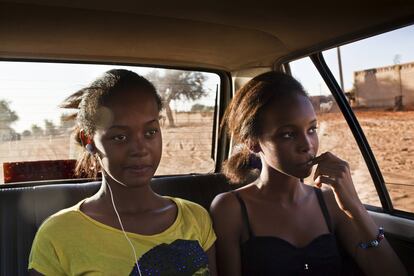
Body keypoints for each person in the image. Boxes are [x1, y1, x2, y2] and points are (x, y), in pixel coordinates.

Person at [210, 71, 406, 276]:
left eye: (312, 129)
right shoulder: (230, 209)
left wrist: (355, 207)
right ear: (253, 143)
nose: (307, 145)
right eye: (288, 134)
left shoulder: (330, 202)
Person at [29, 69, 217, 276]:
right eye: (119, 137)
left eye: (150, 132)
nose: (140, 149)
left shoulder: (195, 217)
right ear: (88, 140)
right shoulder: (58, 235)